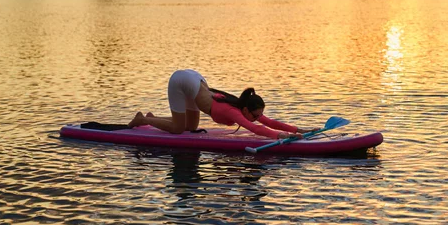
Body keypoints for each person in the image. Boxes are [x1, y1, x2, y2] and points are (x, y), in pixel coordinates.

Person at [128, 69, 315, 139]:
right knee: (178, 129)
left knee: (190, 126)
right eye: (255, 115)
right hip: (182, 81)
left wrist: (298, 130)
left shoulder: (244, 108)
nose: (258, 119)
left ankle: (153, 118)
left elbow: (269, 122)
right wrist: (281, 137)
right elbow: (256, 129)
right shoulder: (234, 112)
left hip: (195, 82)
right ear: (245, 110)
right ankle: (142, 119)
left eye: (258, 115)